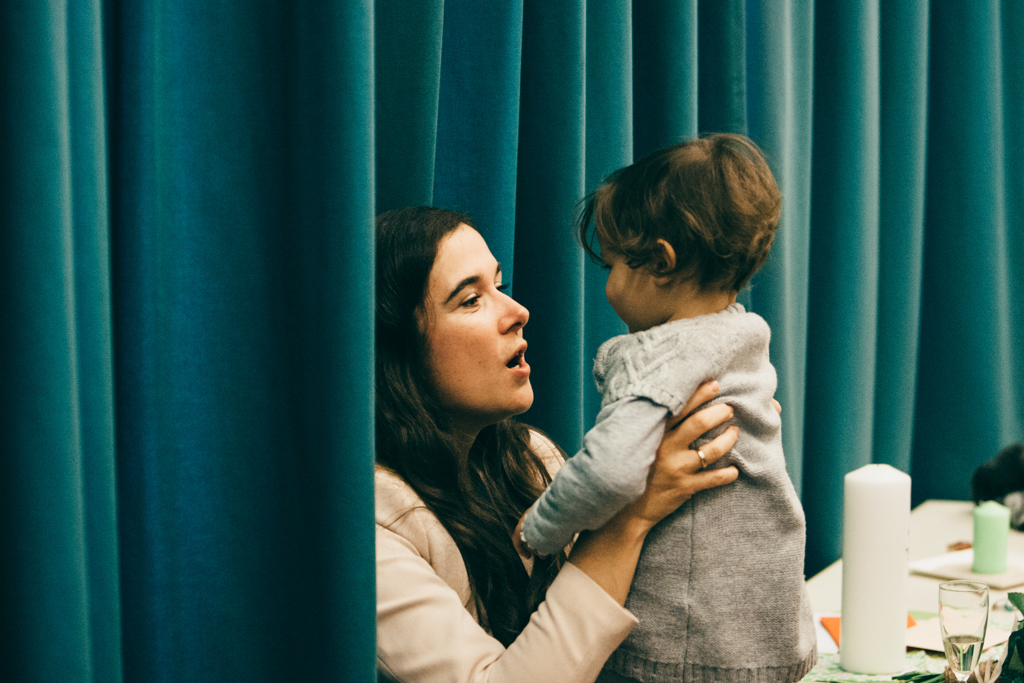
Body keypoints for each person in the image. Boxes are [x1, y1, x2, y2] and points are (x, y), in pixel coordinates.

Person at [374, 206, 744, 682]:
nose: (517, 313)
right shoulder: (376, 527)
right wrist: (631, 512)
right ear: (397, 349)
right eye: (470, 300)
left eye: (500, 287)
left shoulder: (529, 459)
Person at [517, 134, 817, 683]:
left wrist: (539, 529)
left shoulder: (656, 356)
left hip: (683, 644)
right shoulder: (745, 336)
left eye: (610, 266)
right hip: (768, 631)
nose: (606, 286)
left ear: (658, 262)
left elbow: (609, 471)